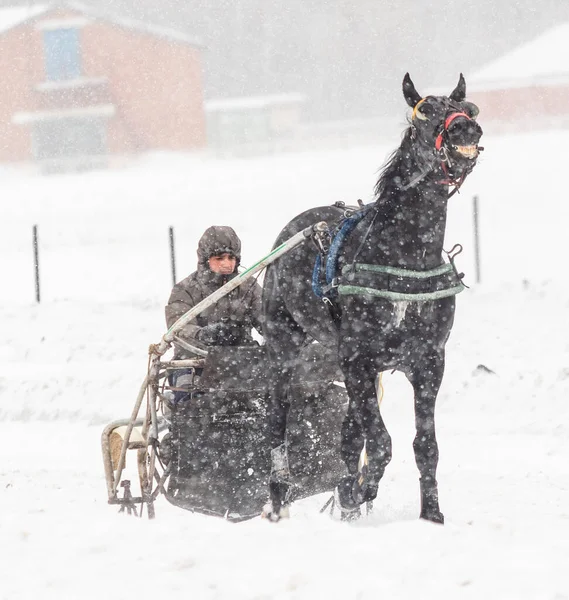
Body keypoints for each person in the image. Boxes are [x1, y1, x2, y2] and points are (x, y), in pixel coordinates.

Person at [165, 225, 263, 362]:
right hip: (193, 363)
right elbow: (178, 329)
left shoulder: (249, 287)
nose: (227, 264)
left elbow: (267, 320)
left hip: (241, 361)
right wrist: (204, 334)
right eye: (220, 258)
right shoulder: (185, 290)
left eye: (231, 258)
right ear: (206, 259)